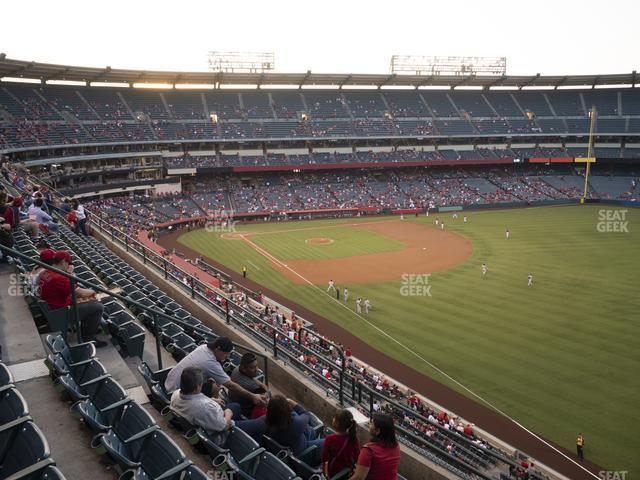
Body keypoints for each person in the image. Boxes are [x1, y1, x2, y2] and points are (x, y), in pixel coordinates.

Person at [165, 337, 268, 409]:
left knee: (215, 385)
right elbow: (230, 385)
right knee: (216, 387)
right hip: (178, 392)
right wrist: (253, 396)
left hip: (170, 383)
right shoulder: (210, 362)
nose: (226, 357)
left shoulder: (204, 347)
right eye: (226, 354)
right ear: (218, 349)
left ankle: (213, 402)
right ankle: (216, 407)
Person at [38, 250, 106, 346]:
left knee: (90, 303)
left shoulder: (45, 271)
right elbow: (81, 293)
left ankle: (89, 329)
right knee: (98, 307)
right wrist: (93, 291)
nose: (69, 266)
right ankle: (88, 340)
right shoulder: (58, 278)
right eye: (68, 263)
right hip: (61, 312)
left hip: (53, 308)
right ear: (63, 262)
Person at [170, 367, 235, 446]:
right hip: (217, 437)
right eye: (201, 383)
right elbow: (223, 427)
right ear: (197, 387)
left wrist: (211, 400)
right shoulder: (206, 407)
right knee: (252, 422)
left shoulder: (175, 394)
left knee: (236, 406)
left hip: (197, 425)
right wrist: (228, 414)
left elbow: (194, 402)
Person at [263, 395, 324, 466]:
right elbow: (307, 414)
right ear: (286, 409)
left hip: (290, 449)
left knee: (303, 424)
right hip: (302, 452)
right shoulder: (296, 424)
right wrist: (293, 403)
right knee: (326, 441)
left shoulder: (266, 423)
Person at [349, 413, 400, 480]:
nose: (369, 424)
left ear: (377, 431)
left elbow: (358, 478)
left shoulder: (368, 450)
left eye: (372, 423)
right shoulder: (396, 446)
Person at [321, 409, 360, 478]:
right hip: (346, 472)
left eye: (334, 418)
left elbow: (324, 457)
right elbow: (357, 456)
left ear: (337, 423)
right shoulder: (353, 438)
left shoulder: (330, 439)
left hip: (333, 472)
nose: (333, 419)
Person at [229, 352, 270, 418]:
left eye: (257, 366)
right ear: (244, 369)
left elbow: (253, 380)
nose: (257, 369)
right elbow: (266, 394)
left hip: (233, 400)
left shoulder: (237, 369)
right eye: (253, 367)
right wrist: (266, 390)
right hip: (246, 411)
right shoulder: (252, 387)